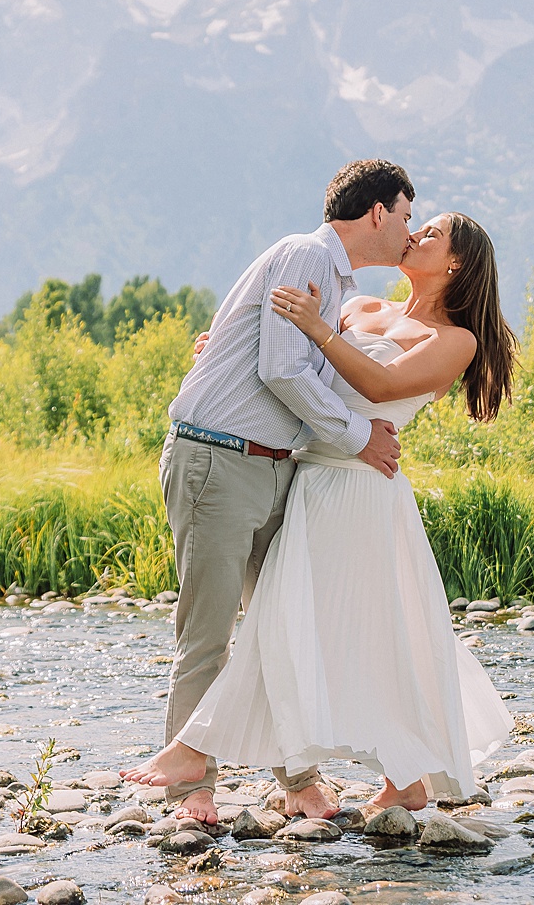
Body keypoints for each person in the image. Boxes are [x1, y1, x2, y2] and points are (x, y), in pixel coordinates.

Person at [131, 209, 518, 814]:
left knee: (371, 633)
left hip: (360, 487)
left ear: (456, 263)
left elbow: (382, 386)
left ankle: (395, 773)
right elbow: (292, 365)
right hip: (304, 480)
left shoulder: (455, 340)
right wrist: (229, 350)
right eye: (417, 223)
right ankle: (363, 778)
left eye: (432, 232)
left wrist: (316, 327)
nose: (416, 235)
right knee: (297, 629)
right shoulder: (361, 308)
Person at [120, 159, 413, 824]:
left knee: (282, 623)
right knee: (209, 631)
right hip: (219, 461)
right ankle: (190, 787)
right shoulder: (306, 254)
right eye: (404, 216)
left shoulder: (330, 282)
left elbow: (282, 358)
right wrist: (357, 434)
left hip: (274, 468)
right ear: (375, 213)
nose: (407, 231)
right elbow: (282, 368)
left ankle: (299, 780)